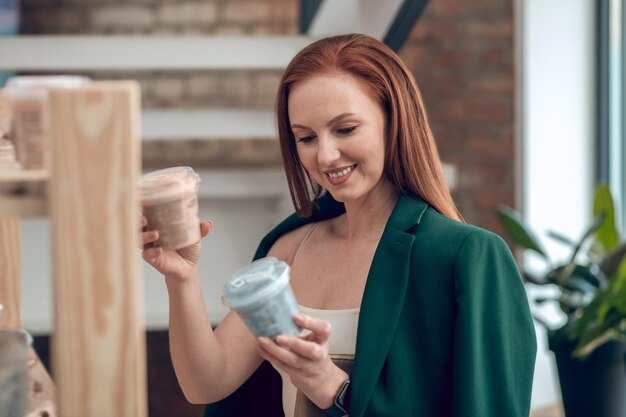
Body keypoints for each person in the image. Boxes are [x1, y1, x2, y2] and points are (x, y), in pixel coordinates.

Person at [141, 33, 537, 417]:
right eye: (306, 137)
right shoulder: (287, 250)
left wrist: (331, 385)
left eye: (345, 129)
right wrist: (182, 277)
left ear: (393, 120)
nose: (326, 156)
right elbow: (206, 384)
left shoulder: (465, 257)